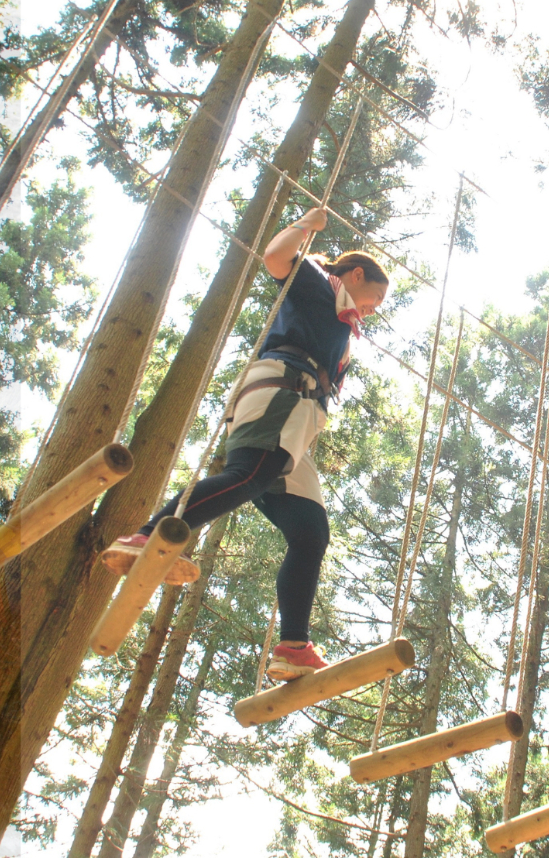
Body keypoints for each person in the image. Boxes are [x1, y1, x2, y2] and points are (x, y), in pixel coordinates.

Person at [110, 206, 389, 681]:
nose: (370, 310)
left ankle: (293, 646)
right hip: (283, 390)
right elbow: (277, 257)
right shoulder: (321, 284)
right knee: (250, 473)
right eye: (372, 299)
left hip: (299, 418)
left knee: (310, 532)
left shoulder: (337, 312)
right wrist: (307, 223)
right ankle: (149, 534)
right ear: (355, 275)